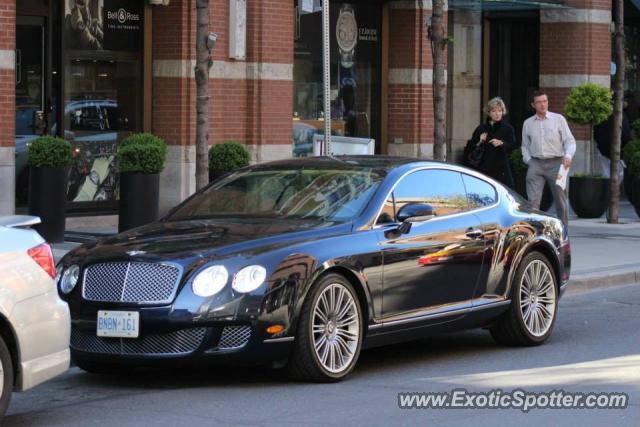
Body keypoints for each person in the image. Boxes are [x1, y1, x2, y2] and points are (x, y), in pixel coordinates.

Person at [521, 90, 576, 225]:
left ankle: (563, 230)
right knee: (532, 201)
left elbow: (570, 141)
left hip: (557, 163)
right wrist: (528, 160)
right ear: (533, 105)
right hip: (536, 163)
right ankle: (533, 230)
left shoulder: (558, 119)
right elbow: (524, 146)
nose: (542, 105)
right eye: (539, 102)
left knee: (560, 200)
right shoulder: (528, 123)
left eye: (544, 101)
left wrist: (568, 156)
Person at [464, 97, 516, 188]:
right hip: (484, 168)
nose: (497, 114)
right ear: (489, 112)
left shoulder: (508, 129)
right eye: (494, 111)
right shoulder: (481, 129)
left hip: (502, 169)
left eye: (499, 111)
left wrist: (502, 143)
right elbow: (469, 148)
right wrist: (480, 142)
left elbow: (513, 146)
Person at [594, 106, 631, 181]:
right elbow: (626, 134)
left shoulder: (602, 116)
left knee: (606, 174)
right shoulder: (622, 117)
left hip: (604, 150)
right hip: (618, 151)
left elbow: (596, 132)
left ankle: (609, 190)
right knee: (620, 174)